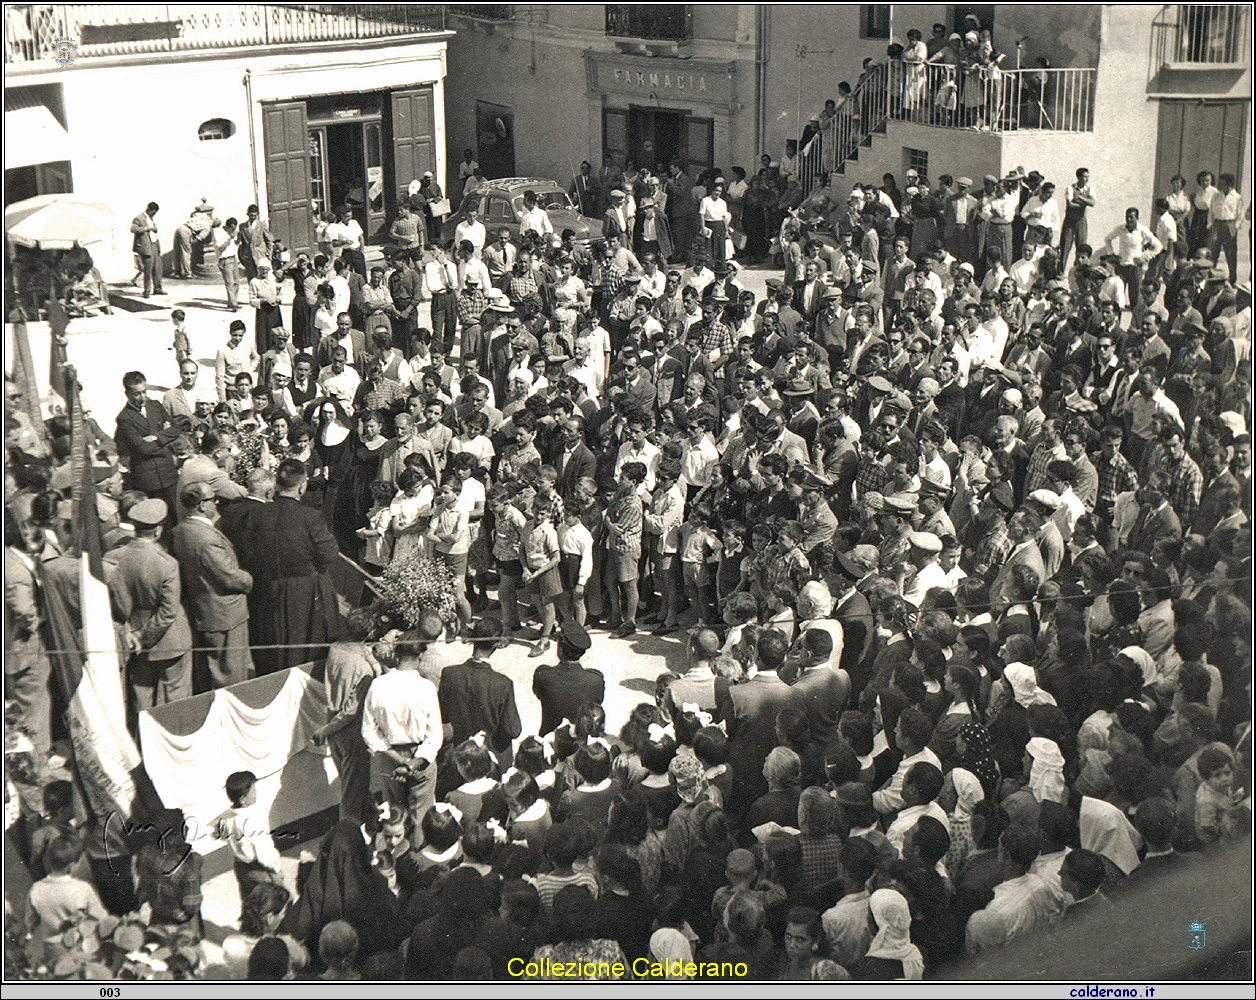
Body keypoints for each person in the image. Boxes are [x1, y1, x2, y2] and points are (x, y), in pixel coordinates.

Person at [247, 458, 343, 674]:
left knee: (272, 649)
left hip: (266, 590)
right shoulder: (309, 517)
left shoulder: (257, 514)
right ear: (302, 485)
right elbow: (330, 553)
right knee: (302, 650)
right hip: (304, 595)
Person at [109, 498, 193, 724]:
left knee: (141, 700)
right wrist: (144, 638)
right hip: (168, 641)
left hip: (132, 639)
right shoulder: (165, 563)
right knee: (175, 700)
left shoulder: (113, 558)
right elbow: (168, 611)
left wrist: (133, 636)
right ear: (158, 530)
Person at [171, 482, 255, 690]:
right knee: (230, 674)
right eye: (212, 499)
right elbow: (229, 578)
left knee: (213, 670)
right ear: (201, 505)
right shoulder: (206, 539)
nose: (216, 503)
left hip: (205, 610)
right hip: (224, 615)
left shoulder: (180, 530)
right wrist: (250, 580)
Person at [437, 617, 522, 753]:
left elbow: (443, 715)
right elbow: (513, 730)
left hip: (457, 751)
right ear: (496, 644)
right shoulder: (502, 683)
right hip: (488, 753)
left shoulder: (449, 674)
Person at [115, 370, 181, 515]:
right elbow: (142, 448)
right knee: (156, 519)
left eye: (144, 392)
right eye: (137, 394)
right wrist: (165, 437)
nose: (142, 397)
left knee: (177, 515)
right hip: (148, 480)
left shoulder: (155, 406)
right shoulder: (124, 418)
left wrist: (156, 437)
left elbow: (176, 429)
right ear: (127, 394)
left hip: (169, 474)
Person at [531, 620, 604, 736]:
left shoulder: (543, 675)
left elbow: (538, 693)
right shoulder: (596, 679)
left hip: (551, 735)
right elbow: (597, 703)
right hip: (583, 738)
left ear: (560, 650)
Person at [130, 201, 164, 297]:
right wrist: (147, 228)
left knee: (157, 269)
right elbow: (133, 229)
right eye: (154, 212)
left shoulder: (150, 218)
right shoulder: (139, 218)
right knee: (148, 270)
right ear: (150, 210)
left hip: (154, 245)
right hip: (146, 247)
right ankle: (147, 291)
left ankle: (157, 288)